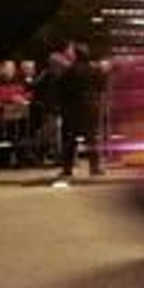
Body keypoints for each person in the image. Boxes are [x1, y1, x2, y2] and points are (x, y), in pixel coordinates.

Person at [55, 42, 107, 186]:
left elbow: (61, 89)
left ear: (76, 55)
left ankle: (67, 169)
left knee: (70, 140)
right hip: (91, 107)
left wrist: (63, 105)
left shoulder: (70, 71)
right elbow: (102, 86)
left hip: (73, 109)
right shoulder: (94, 69)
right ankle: (94, 168)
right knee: (91, 138)